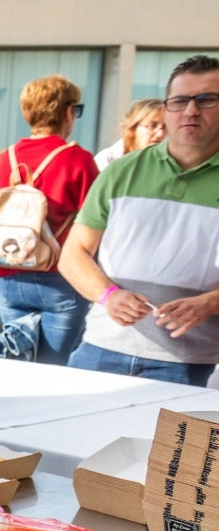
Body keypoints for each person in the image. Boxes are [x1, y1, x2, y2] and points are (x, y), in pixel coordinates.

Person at [60, 55, 219, 387]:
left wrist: (210, 302)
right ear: (165, 110)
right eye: (180, 101)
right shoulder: (121, 170)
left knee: (166, 443)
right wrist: (108, 295)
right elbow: (73, 254)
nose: (191, 111)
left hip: (189, 365)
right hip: (100, 348)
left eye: (206, 99)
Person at [0, 75, 99, 365]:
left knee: (17, 363)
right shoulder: (77, 159)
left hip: (9, 273)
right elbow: (96, 218)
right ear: (68, 112)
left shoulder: (5, 159)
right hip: (59, 277)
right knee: (54, 369)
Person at [94, 98, 166, 171]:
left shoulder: (167, 166)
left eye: (165, 127)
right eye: (152, 126)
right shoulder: (107, 161)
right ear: (133, 129)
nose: (160, 134)